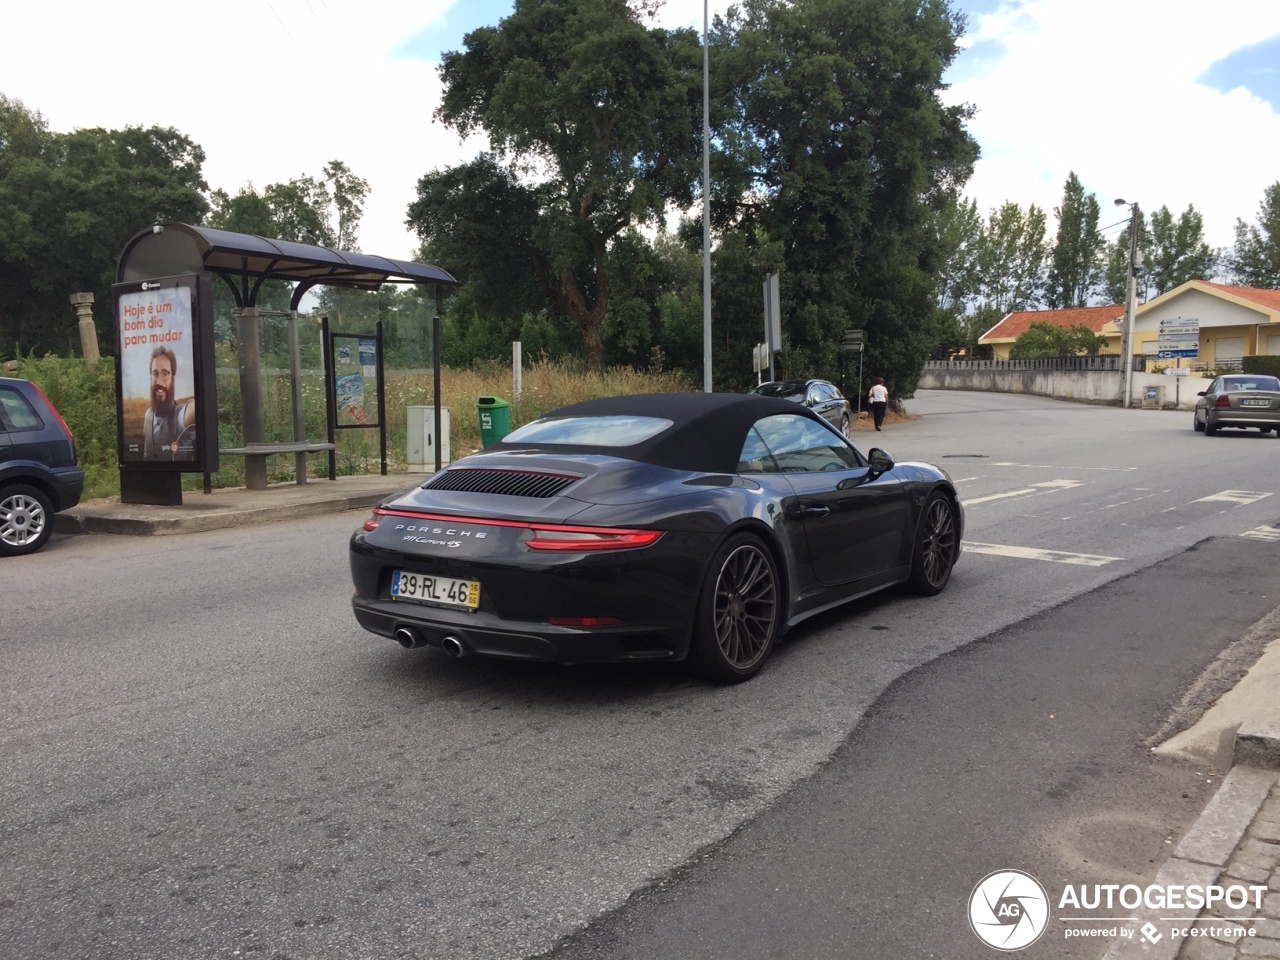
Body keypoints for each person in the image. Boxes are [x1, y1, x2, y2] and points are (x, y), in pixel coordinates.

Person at [142, 346, 196, 459]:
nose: (159, 381)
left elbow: (192, 410)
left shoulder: (179, 415)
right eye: (155, 374)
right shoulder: (148, 415)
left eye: (165, 374)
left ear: (173, 378)